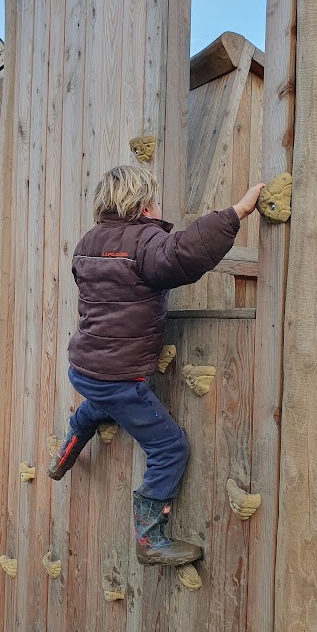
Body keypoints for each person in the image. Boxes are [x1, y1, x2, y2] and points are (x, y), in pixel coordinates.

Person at [48, 164, 264, 567]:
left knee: (99, 405)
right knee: (169, 447)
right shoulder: (145, 241)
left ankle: (65, 452)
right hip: (118, 376)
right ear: (145, 206)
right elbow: (183, 253)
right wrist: (238, 212)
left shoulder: (87, 242)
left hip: (83, 368)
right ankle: (149, 539)